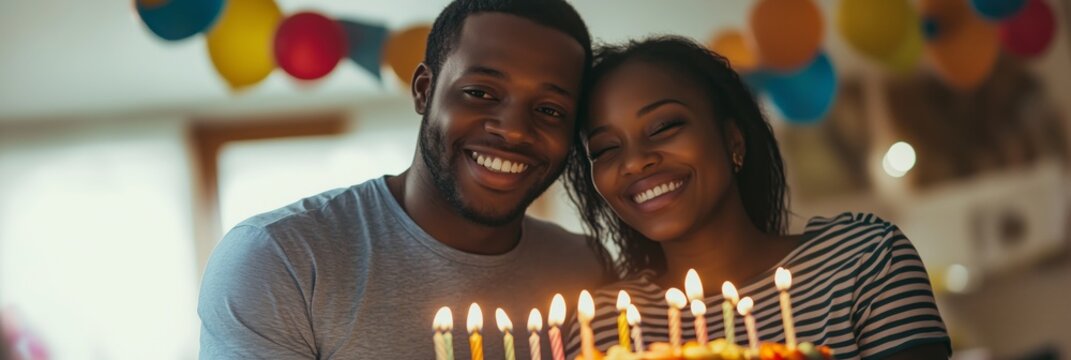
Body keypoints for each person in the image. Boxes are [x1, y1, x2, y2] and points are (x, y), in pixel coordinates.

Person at [197, 1, 607, 358]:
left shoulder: (586, 268)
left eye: (551, 110)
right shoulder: (281, 260)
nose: (515, 131)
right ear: (424, 91)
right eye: (481, 92)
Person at [563, 37, 951, 359]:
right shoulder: (603, 325)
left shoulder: (863, 261)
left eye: (664, 126)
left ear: (734, 139)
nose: (634, 162)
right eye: (605, 149)